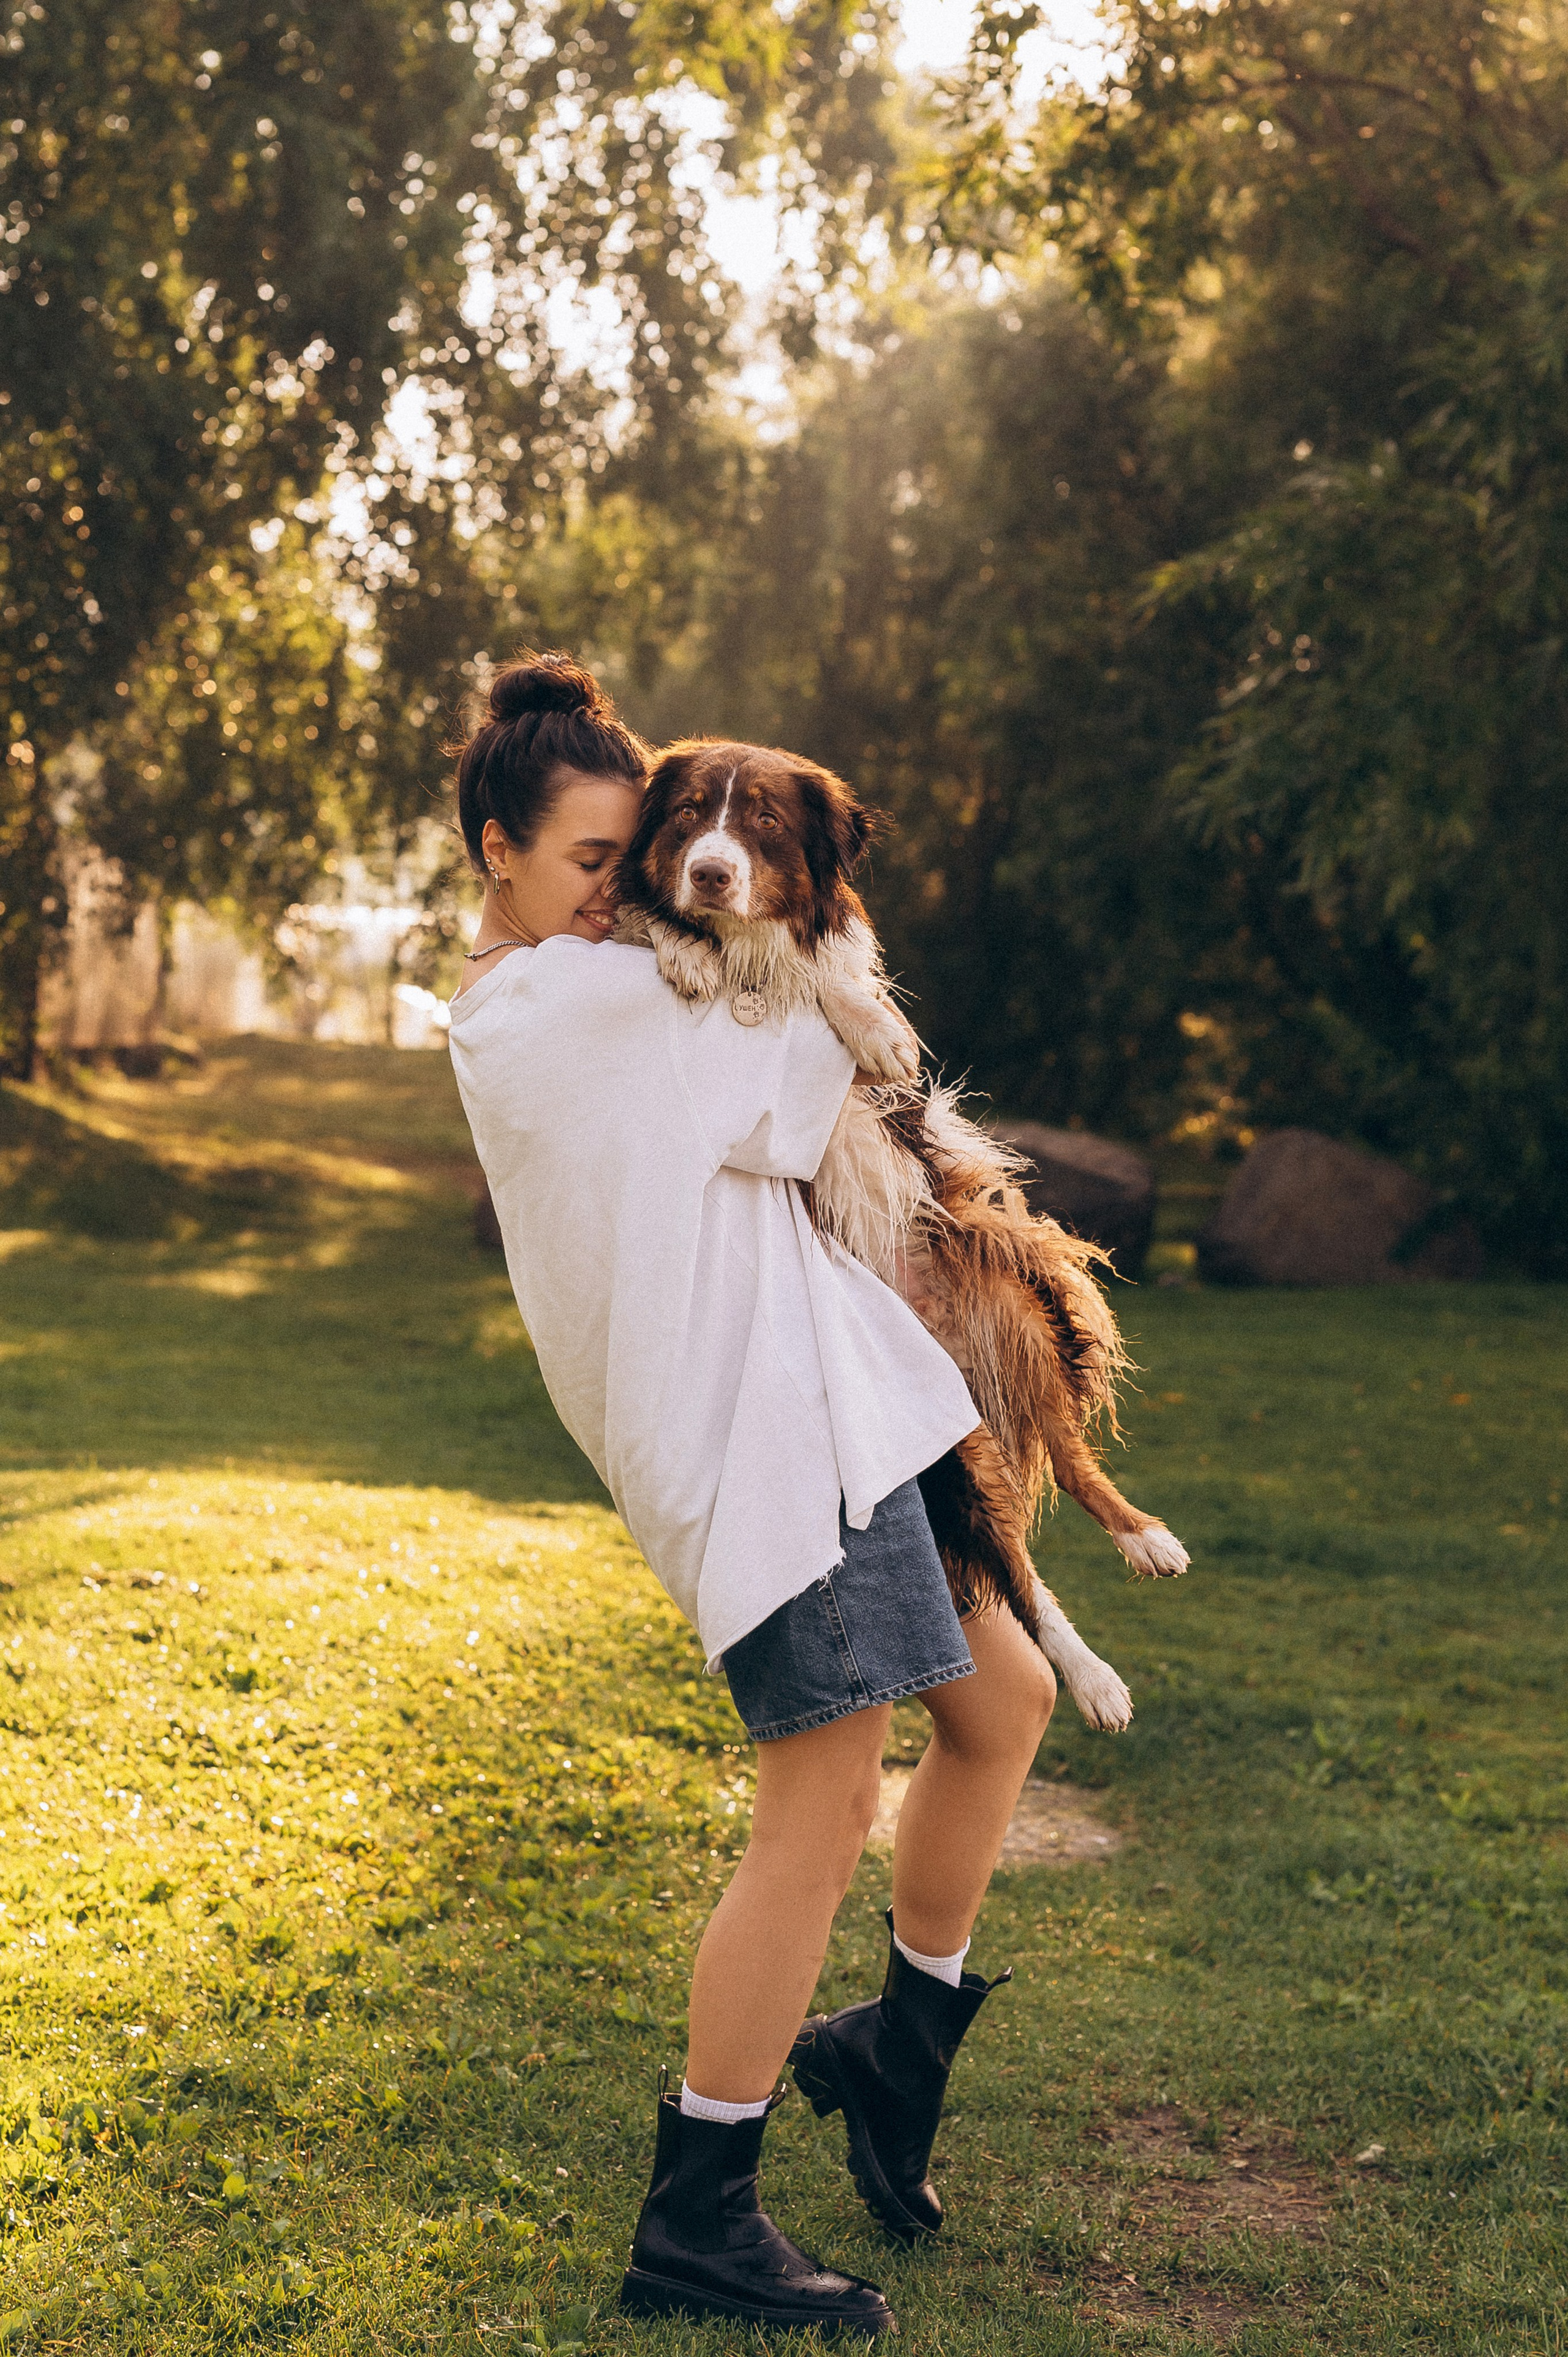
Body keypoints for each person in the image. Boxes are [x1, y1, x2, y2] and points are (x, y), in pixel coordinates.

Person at [446, 652, 1057, 2337]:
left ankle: (888, 2054)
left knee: (1000, 1705)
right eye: (592, 864)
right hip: (756, 1438)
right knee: (824, 1791)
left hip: (832, 1410)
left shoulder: (620, 979)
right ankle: (699, 2213)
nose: (622, 896)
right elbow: (798, 1104)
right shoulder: (553, 1006)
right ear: (499, 849)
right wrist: (793, 952)